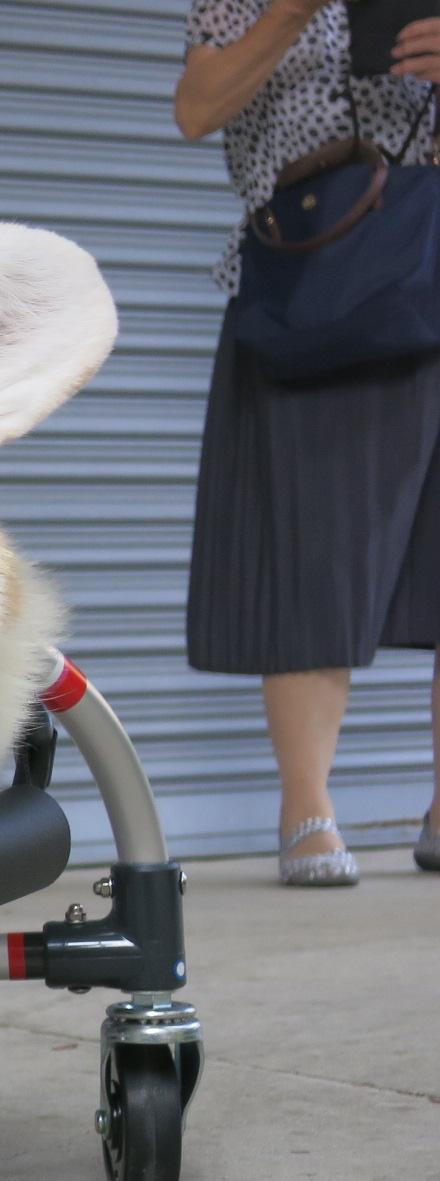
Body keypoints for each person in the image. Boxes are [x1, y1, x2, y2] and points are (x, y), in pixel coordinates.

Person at [178, 0, 440, 884]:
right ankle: (308, 809)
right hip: (323, 281)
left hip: (434, 259)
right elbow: (196, 109)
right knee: (315, 552)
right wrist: (289, 16)